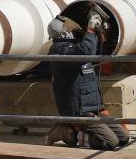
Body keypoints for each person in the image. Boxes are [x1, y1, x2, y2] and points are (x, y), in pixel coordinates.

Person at [44, 11, 129, 150]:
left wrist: (101, 108)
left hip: (93, 108)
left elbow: (91, 82)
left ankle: (71, 130)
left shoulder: (78, 47)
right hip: (79, 110)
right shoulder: (60, 50)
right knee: (110, 142)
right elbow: (85, 52)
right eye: (70, 27)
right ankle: (67, 132)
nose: (75, 28)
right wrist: (90, 30)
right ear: (63, 32)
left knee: (123, 137)